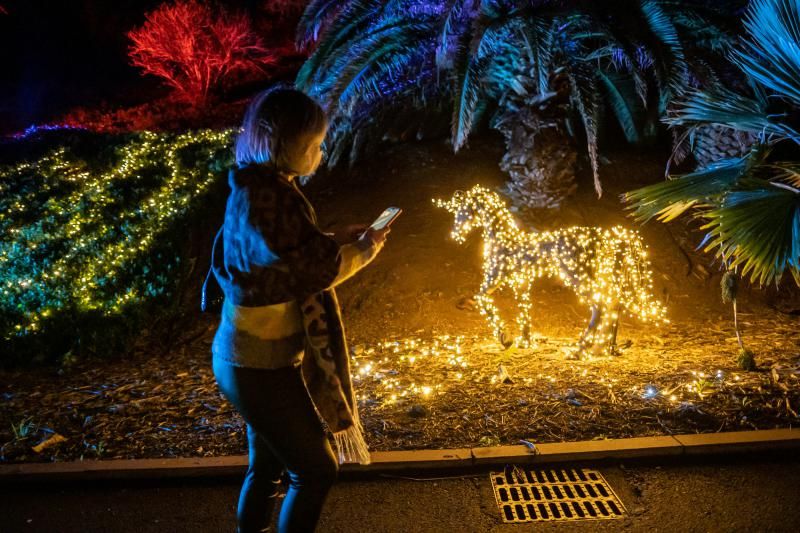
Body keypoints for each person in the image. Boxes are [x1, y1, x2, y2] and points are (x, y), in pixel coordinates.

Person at [210, 86, 389, 533]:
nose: (320, 152)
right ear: (284, 145)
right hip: (258, 364)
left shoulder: (255, 188)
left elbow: (282, 255)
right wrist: (363, 250)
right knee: (316, 469)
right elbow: (314, 271)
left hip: (245, 357)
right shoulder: (271, 198)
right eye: (315, 145)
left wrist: (331, 238)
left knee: (267, 466)